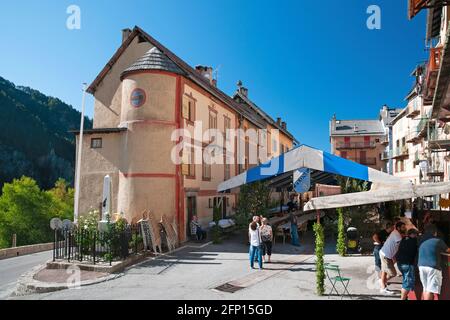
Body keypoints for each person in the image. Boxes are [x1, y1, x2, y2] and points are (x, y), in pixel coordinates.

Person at [418, 224, 450, 300]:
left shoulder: (423, 241)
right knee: (430, 290)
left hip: (421, 266)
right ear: (435, 232)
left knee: (425, 288)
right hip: (432, 267)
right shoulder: (438, 241)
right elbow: (448, 250)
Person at [379, 221, 407, 294]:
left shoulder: (396, 233)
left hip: (385, 254)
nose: (405, 228)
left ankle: (383, 285)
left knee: (384, 270)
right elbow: (401, 245)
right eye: (403, 227)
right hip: (386, 255)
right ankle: (382, 283)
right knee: (393, 273)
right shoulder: (397, 234)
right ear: (398, 228)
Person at [396, 229, 419, 300]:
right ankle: (403, 298)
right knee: (407, 283)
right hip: (407, 263)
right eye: (416, 234)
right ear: (413, 234)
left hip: (400, 263)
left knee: (405, 280)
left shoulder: (403, 239)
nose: (416, 236)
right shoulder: (414, 241)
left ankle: (405, 297)